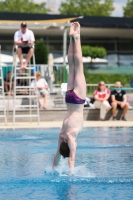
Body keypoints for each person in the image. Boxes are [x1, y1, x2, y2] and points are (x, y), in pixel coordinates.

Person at [53, 22, 86, 174]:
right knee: (71, 65)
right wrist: (53, 169)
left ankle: (77, 37)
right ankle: (72, 38)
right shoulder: (61, 135)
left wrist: (70, 174)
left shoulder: (71, 136)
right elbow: (56, 158)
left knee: (78, 67)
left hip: (78, 99)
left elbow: (71, 159)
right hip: (69, 99)